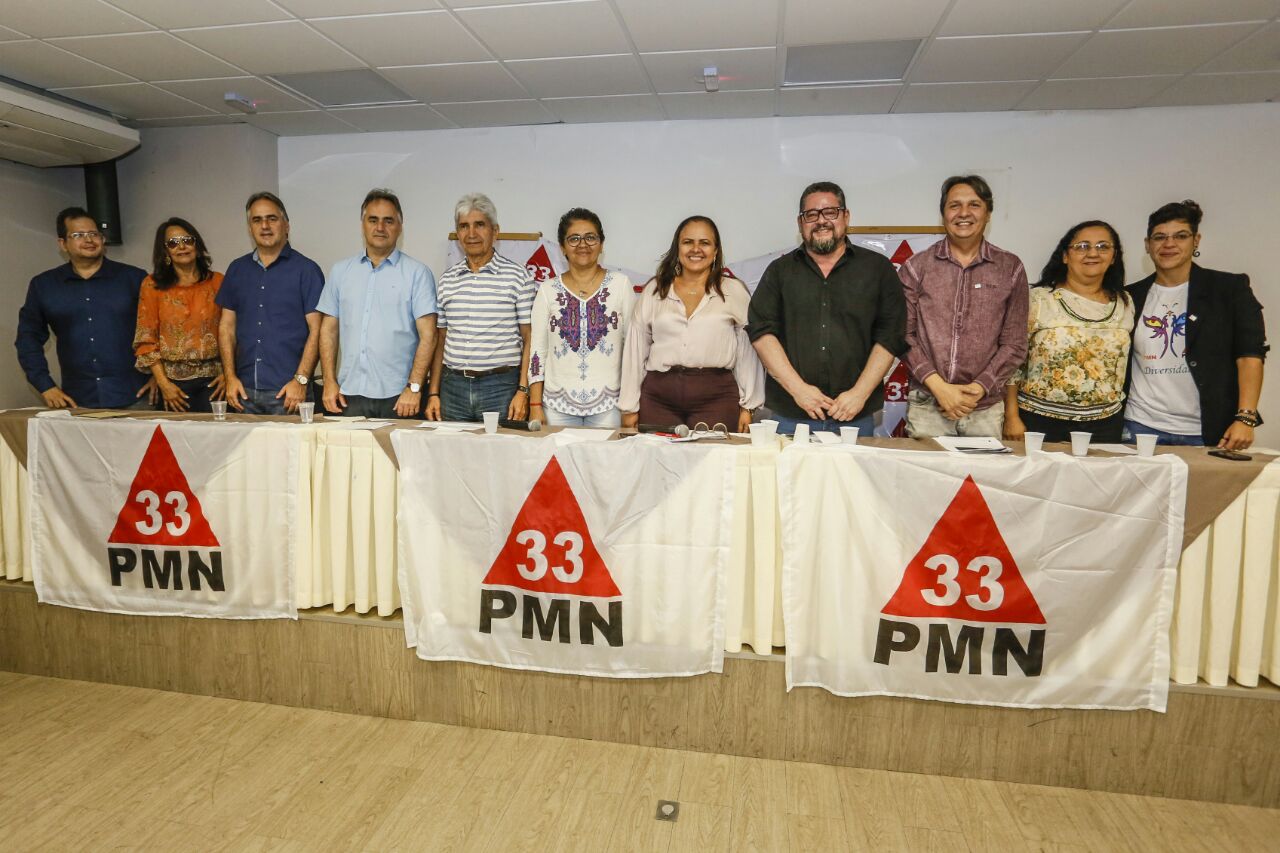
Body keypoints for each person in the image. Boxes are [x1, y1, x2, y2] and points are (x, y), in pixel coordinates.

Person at [748, 181, 906, 435]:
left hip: (854, 417)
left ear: (846, 217)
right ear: (800, 223)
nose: (821, 221)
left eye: (830, 212)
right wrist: (799, 390)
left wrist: (859, 393)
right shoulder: (779, 272)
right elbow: (761, 332)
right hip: (791, 414)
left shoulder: (878, 269)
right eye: (811, 215)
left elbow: (891, 335)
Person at [1124, 200, 1266, 451]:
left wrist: (1246, 417)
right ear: (1147, 244)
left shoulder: (1229, 289)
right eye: (1159, 237)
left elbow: (1249, 355)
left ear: (1196, 240)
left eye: (1180, 236)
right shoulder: (1129, 296)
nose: (1169, 244)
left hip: (1208, 431)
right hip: (1140, 427)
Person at [899, 175, 1028, 438]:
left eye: (974, 205)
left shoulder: (1010, 268)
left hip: (985, 408)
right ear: (943, 214)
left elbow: (1015, 343)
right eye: (954, 205)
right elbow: (903, 335)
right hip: (928, 405)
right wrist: (940, 388)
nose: (964, 213)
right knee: (925, 468)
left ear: (988, 213)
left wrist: (979, 387)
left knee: (984, 468)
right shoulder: (916, 267)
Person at [620, 216, 762, 432]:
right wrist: (629, 407)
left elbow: (748, 353)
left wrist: (748, 406)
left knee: (712, 454)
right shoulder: (655, 290)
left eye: (704, 243)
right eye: (688, 242)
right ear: (677, 248)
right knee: (657, 454)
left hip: (717, 397)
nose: (696, 249)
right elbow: (635, 350)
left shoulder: (734, 291)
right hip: (659, 398)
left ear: (716, 250)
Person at [1004, 221, 1133, 443]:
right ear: (1065, 256)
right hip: (1039, 422)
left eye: (1103, 246)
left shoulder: (1125, 302)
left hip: (1105, 425)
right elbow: (1013, 362)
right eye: (1082, 246)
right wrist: (1011, 416)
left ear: (1114, 257)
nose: (1093, 253)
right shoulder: (1038, 299)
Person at [317, 189, 438, 420]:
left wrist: (414, 387)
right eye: (373, 220)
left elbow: (429, 336)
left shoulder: (418, 274)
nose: (380, 227)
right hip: (347, 393)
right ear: (363, 224)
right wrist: (329, 381)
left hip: (400, 398)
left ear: (400, 227)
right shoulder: (340, 272)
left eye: (388, 221)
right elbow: (328, 331)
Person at [16, 207, 153, 409]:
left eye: (94, 234)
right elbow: (28, 339)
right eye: (78, 235)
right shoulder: (44, 285)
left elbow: (163, 328)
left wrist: (160, 377)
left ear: (102, 239)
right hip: (78, 401)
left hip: (138, 396)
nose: (89, 240)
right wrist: (45, 386)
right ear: (63, 243)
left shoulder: (134, 278)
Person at [426, 193, 535, 422]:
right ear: (458, 234)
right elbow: (441, 340)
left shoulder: (518, 277)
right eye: (464, 226)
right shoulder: (447, 280)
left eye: (479, 225)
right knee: (451, 446)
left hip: (501, 388)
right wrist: (433, 392)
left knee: (500, 446)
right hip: (452, 389)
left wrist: (523, 390)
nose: (471, 233)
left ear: (495, 231)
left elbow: (530, 338)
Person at [217, 192, 325, 415]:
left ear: (286, 225)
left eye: (271, 218)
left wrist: (301, 380)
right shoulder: (237, 269)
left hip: (289, 395)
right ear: (250, 228)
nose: (264, 226)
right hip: (243, 393)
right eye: (257, 220)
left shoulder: (307, 270)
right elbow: (226, 327)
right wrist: (230, 377)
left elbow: (317, 330)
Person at [527, 208, 633, 427]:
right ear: (562, 247)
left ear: (601, 244)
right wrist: (535, 406)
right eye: (574, 239)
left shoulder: (620, 285)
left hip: (610, 406)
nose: (583, 244)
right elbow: (537, 352)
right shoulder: (547, 290)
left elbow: (633, 349)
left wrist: (630, 405)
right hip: (556, 407)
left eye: (590, 237)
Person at [133, 218, 225, 413]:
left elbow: (234, 332)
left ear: (197, 245)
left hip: (215, 384)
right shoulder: (152, 285)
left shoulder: (218, 281)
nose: (182, 247)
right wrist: (163, 384)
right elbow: (146, 340)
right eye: (173, 243)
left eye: (187, 240)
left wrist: (228, 375)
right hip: (172, 387)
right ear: (165, 251)